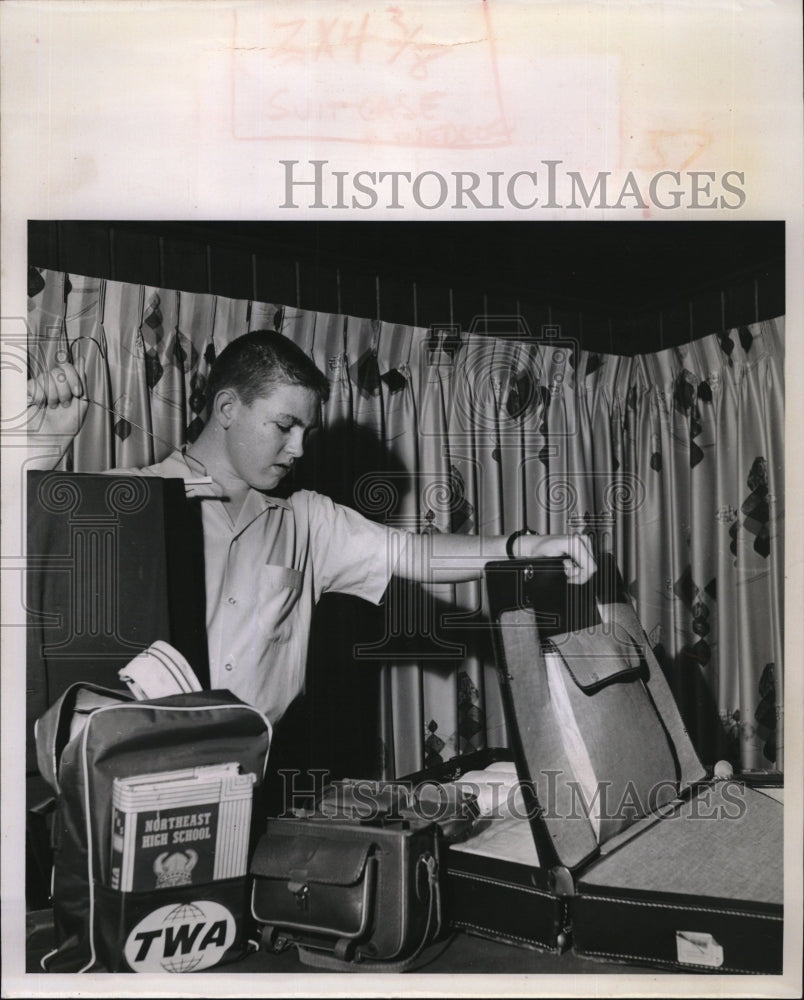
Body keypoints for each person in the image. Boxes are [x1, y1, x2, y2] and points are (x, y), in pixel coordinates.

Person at [27, 330, 596, 725]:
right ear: (227, 409)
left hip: (255, 786)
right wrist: (38, 456)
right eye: (285, 425)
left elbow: (415, 554)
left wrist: (527, 546)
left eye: (307, 432)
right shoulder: (125, 501)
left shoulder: (307, 520)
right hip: (125, 785)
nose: (298, 448)